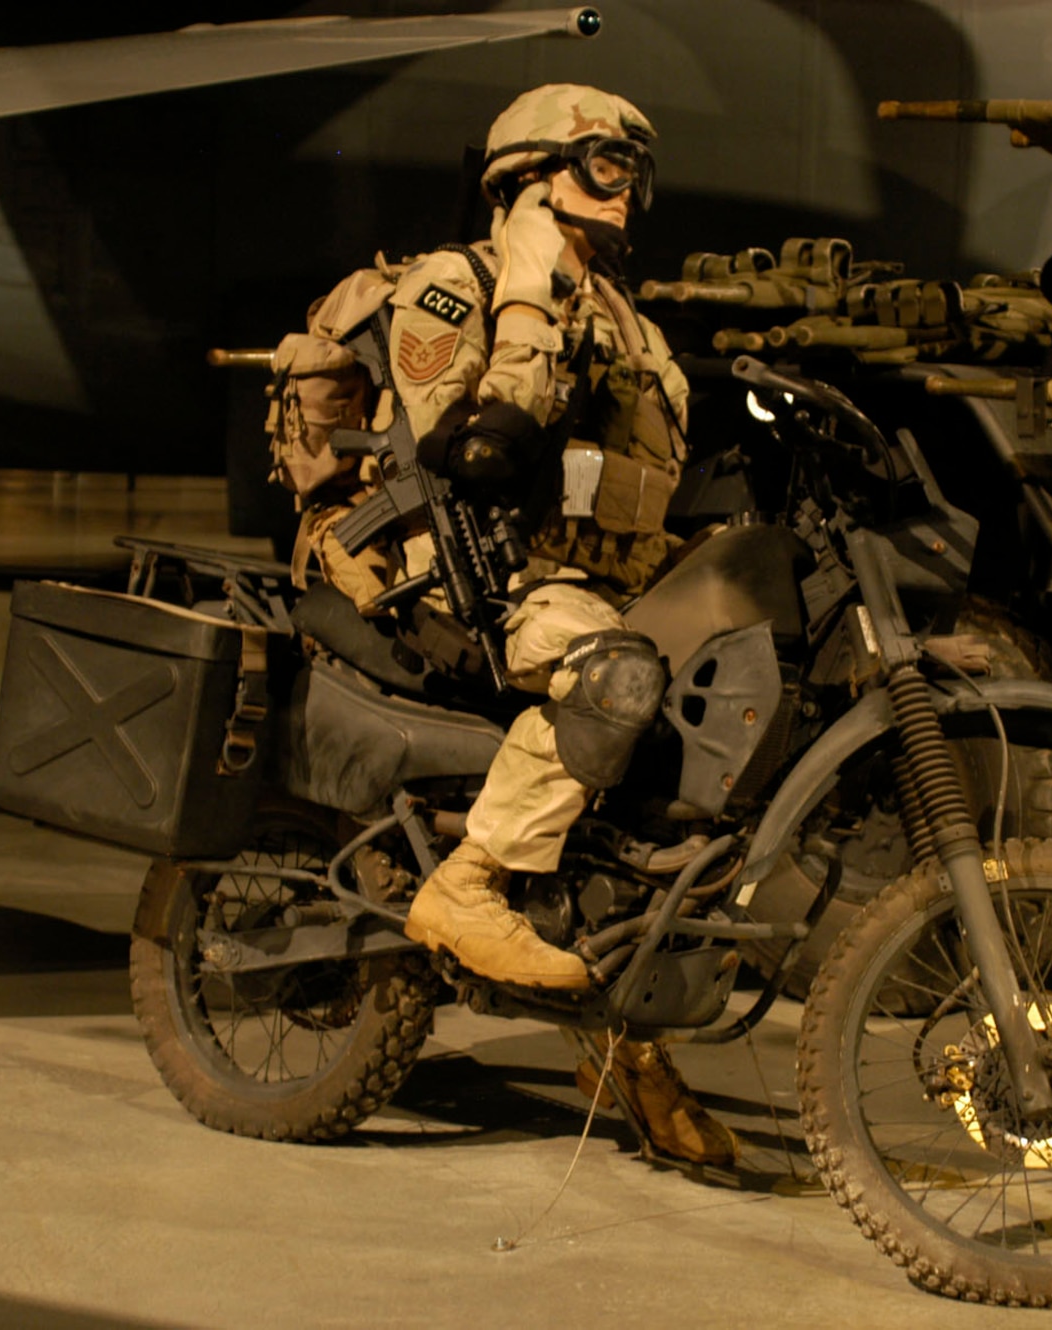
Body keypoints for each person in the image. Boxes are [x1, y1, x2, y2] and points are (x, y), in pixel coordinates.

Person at [285, 83, 736, 1166]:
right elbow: (471, 453)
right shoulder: (461, 287)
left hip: (588, 579)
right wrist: (527, 293)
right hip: (472, 578)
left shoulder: (617, 310)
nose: (627, 191)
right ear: (526, 178)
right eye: (601, 165)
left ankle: (618, 1044)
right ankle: (469, 884)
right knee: (616, 677)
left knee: (714, 745)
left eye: (633, 168)